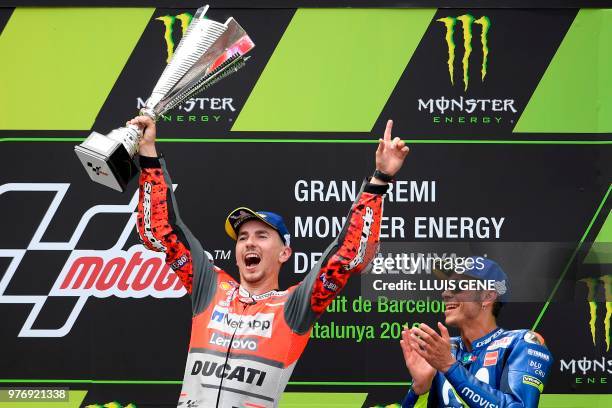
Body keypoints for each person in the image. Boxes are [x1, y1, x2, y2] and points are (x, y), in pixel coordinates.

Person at [128, 115, 409, 408]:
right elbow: (161, 231)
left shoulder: (294, 306)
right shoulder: (210, 287)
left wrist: (380, 179)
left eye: (262, 236)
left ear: (284, 253)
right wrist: (148, 154)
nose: (249, 242)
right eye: (242, 237)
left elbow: (348, 254)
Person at [400, 258, 553, 408]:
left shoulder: (521, 342)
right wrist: (420, 389)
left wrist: (450, 367)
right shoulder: (442, 350)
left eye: (458, 286)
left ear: (487, 297)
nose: (445, 293)